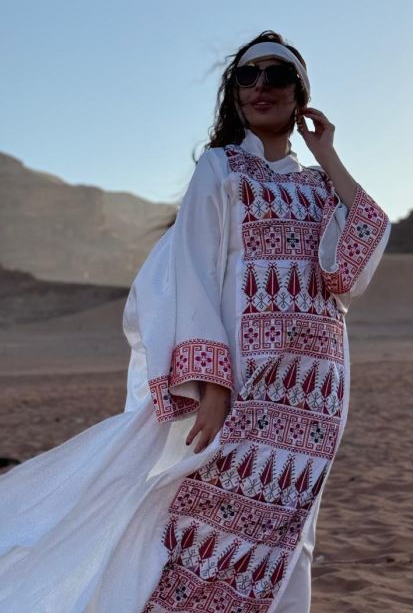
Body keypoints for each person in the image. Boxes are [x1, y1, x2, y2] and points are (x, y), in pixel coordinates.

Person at [0, 30, 392, 613]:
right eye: (247, 76)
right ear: (234, 94)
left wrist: (328, 153)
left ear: (300, 94)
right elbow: (191, 276)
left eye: (276, 77)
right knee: (208, 527)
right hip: (242, 382)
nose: (260, 87)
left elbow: (353, 270)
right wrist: (212, 385)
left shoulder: (317, 188)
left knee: (291, 536)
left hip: (315, 390)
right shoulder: (223, 168)